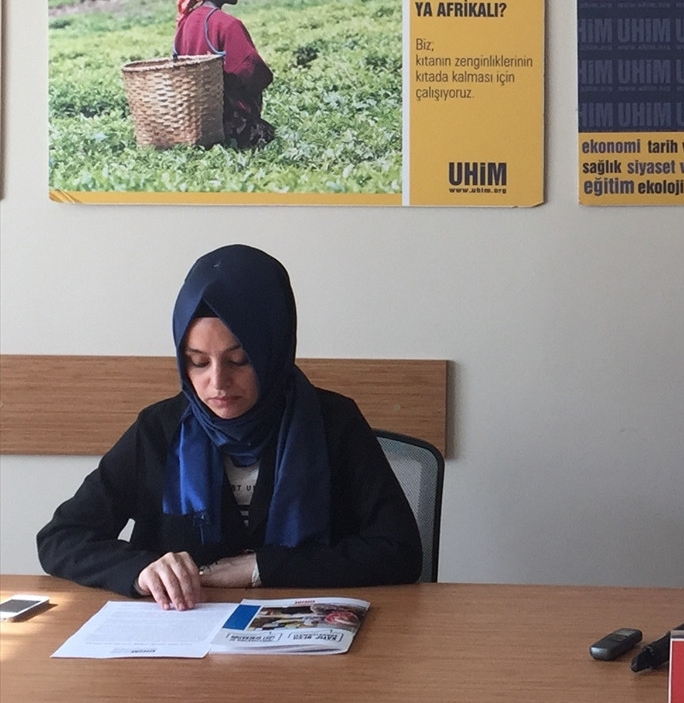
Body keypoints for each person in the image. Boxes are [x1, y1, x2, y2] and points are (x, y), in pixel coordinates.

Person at [38, 245, 423, 610]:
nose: (217, 383)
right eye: (198, 362)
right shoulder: (158, 430)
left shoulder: (334, 423)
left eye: (239, 360)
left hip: (304, 634)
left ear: (272, 352)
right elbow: (62, 537)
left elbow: (399, 551)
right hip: (183, 637)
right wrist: (140, 570)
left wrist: (262, 568)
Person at [174, 0, 275, 148]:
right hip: (227, 119)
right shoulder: (228, 24)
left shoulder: (187, 21)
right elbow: (251, 70)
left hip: (195, 118)